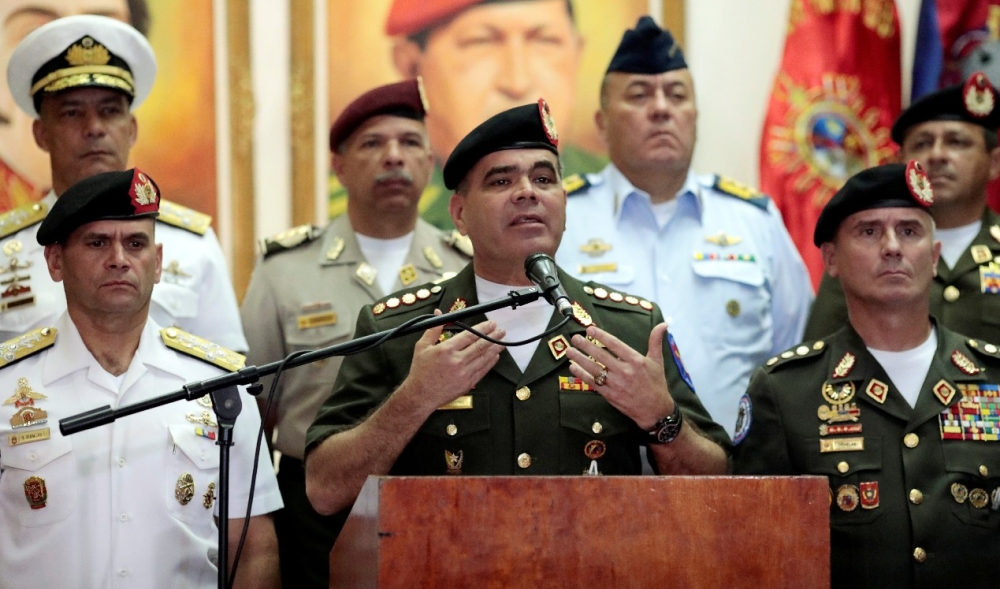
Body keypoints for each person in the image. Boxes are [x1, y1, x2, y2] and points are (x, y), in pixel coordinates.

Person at [304, 100, 731, 518]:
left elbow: (720, 488)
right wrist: (415, 399)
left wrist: (661, 418)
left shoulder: (630, 329)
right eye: (501, 182)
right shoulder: (397, 330)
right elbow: (325, 491)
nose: (527, 192)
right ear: (460, 213)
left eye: (544, 179)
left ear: (564, 206)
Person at [0, 168, 282, 588]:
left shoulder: (221, 386)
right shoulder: (8, 383)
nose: (119, 258)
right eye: (97, 242)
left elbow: (253, 547)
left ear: (158, 263)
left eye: (136, 243)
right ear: (55, 261)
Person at [240, 79, 471, 588]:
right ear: (338, 166)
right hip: (313, 507)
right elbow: (253, 417)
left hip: (437, 493)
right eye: (373, 143)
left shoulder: (467, 269)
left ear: (430, 165)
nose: (394, 157)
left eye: (410, 143)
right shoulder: (285, 270)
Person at [732, 162, 1000, 588]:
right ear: (832, 259)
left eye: (910, 231)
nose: (892, 246)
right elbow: (757, 549)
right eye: (870, 231)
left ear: (933, 258)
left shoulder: (993, 377)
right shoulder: (786, 391)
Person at [556, 15, 813, 435]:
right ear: (602, 124)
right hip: (596, 478)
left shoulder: (755, 222)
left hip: (734, 476)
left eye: (676, 96)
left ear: (695, 116)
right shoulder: (562, 221)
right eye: (639, 95)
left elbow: (796, 358)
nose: (661, 109)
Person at [0, 14, 247, 352]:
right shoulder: (4, 249)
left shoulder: (193, 244)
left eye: (110, 111)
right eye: (72, 113)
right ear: (41, 133)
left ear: (131, 129)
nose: (94, 128)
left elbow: (227, 376)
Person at [363, 0, 602, 228]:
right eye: (482, 42)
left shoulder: (620, 193)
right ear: (411, 67)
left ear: (577, 54)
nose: (517, 83)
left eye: (545, 42)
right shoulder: (359, 208)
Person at [805, 72, 1000, 342]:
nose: (937, 155)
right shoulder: (860, 250)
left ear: (994, 163)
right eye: (922, 143)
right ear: (901, 160)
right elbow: (822, 360)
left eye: (956, 142)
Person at [0, 0, 149, 212]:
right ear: (41, 132)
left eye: (102, 29)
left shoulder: (182, 242)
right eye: (33, 33)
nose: (93, 128)